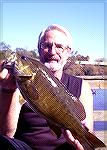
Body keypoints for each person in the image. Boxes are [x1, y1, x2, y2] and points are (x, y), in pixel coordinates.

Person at [0, 24, 93, 150]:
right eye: (46, 46)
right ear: (39, 49)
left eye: (59, 47)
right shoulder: (18, 84)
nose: (52, 51)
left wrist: (80, 145)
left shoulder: (82, 86)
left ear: (68, 51)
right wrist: (8, 89)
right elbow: (6, 133)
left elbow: (89, 134)